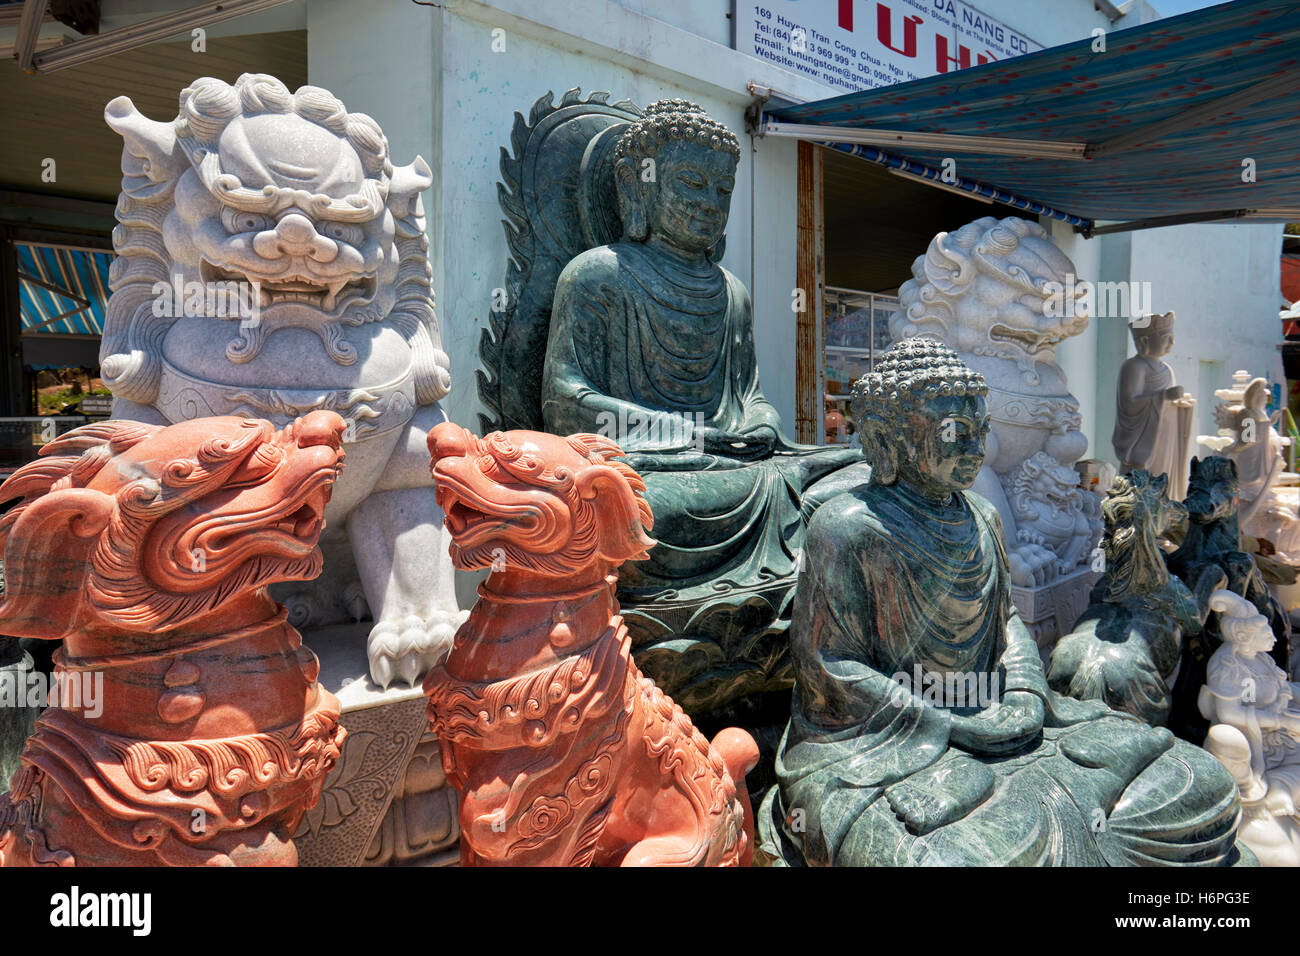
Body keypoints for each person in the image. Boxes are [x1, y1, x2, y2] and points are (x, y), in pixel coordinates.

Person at [757, 337, 1247, 866]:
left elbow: (1008, 621)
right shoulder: (848, 527)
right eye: (956, 434)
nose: (976, 451)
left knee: (1201, 781)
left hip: (1003, 718)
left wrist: (1026, 696)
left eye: (981, 433)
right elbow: (830, 667)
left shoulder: (981, 518)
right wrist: (948, 724)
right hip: (889, 746)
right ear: (888, 439)